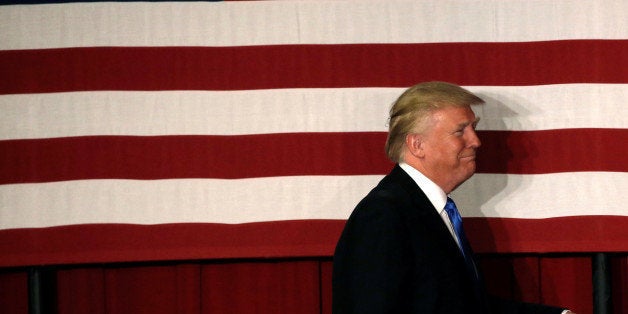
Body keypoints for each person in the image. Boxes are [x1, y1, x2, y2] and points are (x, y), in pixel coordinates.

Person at [332, 82, 573, 314]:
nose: (476, 141)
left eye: (473, 128)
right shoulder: (383, 215)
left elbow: (467, 306)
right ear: (417, 145)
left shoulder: (432, 209)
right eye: (460, 131)